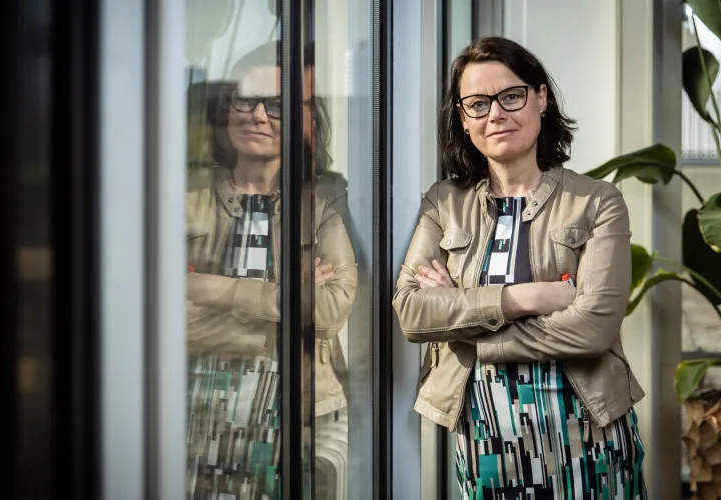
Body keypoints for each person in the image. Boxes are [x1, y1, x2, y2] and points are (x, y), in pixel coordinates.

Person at [393, 36, 647, 499]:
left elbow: (593, 330)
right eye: (477, 103)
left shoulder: (596, 202)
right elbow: (411, 312)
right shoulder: (443, 203)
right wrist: (524, 297)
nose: (495, 113)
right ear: (463, 120)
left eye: (511, 96)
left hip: (585, 433)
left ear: (541, 99)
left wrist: (463, 324)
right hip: (483, 434)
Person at [185, 41, 357, 499]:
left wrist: (208, 287)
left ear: (303, 118)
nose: (257, 115)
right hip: (198, 410)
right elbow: (161, 316)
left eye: (277, 104)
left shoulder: (323, 201)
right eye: (245, 99)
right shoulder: (186, 199)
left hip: (298, 410)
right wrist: (283, 301)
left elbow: (330, 311)